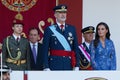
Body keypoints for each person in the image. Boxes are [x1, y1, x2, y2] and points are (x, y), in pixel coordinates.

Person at [42, 4, 80, 70]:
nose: (63, 15)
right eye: (60, 13)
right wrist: (46, 66)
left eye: (64, 12)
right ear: (55, 15)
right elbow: (45, 50)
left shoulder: (72, 29)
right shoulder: (49, 29)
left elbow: (75, 48)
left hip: (68, 64)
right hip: (54, 63)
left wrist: (77, 65)